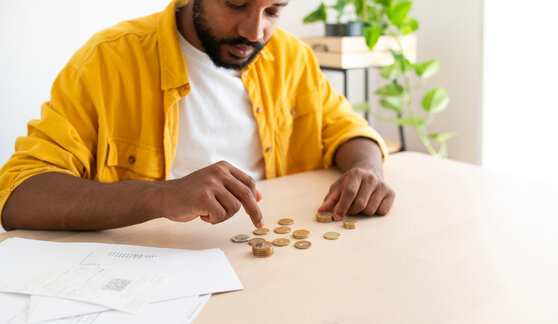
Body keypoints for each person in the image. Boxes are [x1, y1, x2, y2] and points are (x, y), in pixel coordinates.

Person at [0, 0, 395, 231]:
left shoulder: (292, 56)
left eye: (273, 10)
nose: (255, 31)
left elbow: (346, 128)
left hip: (270, 262)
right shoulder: (109, 59)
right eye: (237, 3)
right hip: (146, 272)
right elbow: (20, 197)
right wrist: (162, 194)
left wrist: (367, 169)